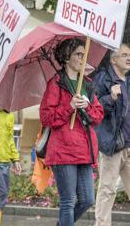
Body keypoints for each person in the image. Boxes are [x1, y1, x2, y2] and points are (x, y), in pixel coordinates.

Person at [39, 38, 104, 226]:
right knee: (68, 202)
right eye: (78, 54)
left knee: (87, 200)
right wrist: (69, 106)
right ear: (66, 57)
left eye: (84, 55)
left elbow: (98, 115)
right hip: (63, 150)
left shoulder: (88, 84)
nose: (82, 59)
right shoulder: (56, 83)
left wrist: (88, 107)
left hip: (84, 150)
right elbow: (47, 117)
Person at [93, 43, 130, 226]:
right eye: (124, 55)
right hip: (113, 145)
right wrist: (111, 98)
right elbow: (94, 109)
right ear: (114, 59)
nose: (129, 58)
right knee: (107, 190)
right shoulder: (103, 79)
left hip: (129, 145)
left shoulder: (129, 81)